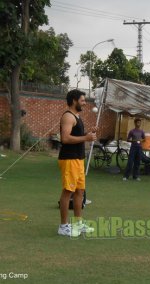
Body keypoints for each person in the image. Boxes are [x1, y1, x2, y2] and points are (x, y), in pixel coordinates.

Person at [57, 89, 97, 237]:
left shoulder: (77, 116)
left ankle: (78, 224)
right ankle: (63, 226)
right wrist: (86, 138)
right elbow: (65, 138)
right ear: (74, 101)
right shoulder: (68, 116)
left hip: (78, 159)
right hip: (69, 159)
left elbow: (78, 136)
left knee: (80, 191)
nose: (85, 103)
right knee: (68, 191)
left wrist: (88, 134)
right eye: (82, 100)